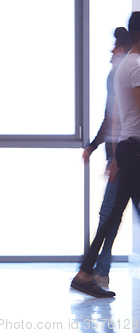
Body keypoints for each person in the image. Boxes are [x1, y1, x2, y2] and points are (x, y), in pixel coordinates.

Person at [71, 13, 140, 297]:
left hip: (129, 148)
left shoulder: (127, 65)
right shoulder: (135, 66)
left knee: (111, 217)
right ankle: (89, 272)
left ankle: (86, 273)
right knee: (111, 216)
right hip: (135, 150)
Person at [82, 27, 132, 287]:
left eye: (115, 47)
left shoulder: (124, 73)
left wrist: (115, 158)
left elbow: (122, 120)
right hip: (121, 153)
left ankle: (95, 271)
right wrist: (93, 146)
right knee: (111, 213)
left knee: (109, 213)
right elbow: (110, 119)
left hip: (124, 155)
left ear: (123, 49)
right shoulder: (119, 74)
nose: (111, 52)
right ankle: (96, 270)